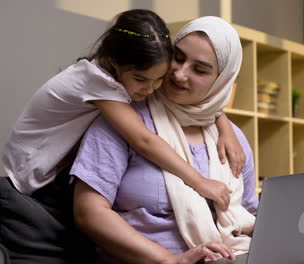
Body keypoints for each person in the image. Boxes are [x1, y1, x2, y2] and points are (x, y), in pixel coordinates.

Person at [0, 9, 244, 264]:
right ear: (114, 63)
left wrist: (222, 123)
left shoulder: (128, 83)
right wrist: (199, 181)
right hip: (26, 190)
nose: (151, 89)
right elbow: (144, 140)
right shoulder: (98, 82)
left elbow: (201, 105)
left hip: (53, 184)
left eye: (160, 79)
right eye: (142, 79)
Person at [72, 16, 258, 264]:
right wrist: (169, 259)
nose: (179, 74)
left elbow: (250, 216)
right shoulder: (123, 122)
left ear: (222, 81)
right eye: (178, 58)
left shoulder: (232, 138)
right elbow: (89, 213)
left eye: (200, 70)